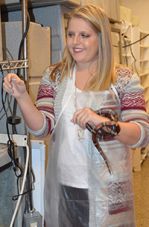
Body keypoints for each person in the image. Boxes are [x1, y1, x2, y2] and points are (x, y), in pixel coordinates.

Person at [3, 4, 149, 227]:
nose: (75, 42)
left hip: (107, 190)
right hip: (64, 186)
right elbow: (42, 128)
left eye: (84, 35)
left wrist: (106, 124)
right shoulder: (54, 76)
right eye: (71, 34)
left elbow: (142, 134)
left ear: (100, 38)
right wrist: (22, 97)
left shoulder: (123, 79)